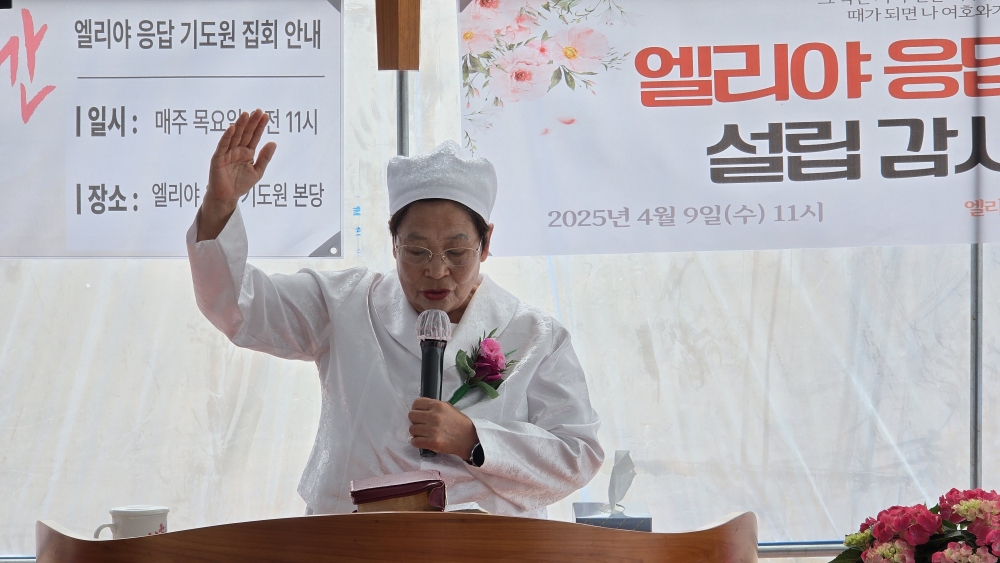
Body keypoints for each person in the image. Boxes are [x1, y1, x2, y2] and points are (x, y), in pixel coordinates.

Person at [187, 109, 603, 517]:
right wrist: (220, 204)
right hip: (353, 537)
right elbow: (237, 307)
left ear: (486, 243)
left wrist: (474, 440)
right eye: (417, 251)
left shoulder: (535, 336)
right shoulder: (344, 303)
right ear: (393, 242)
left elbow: (577, 454)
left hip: (485, 543)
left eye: (456, 252)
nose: (436, 271)